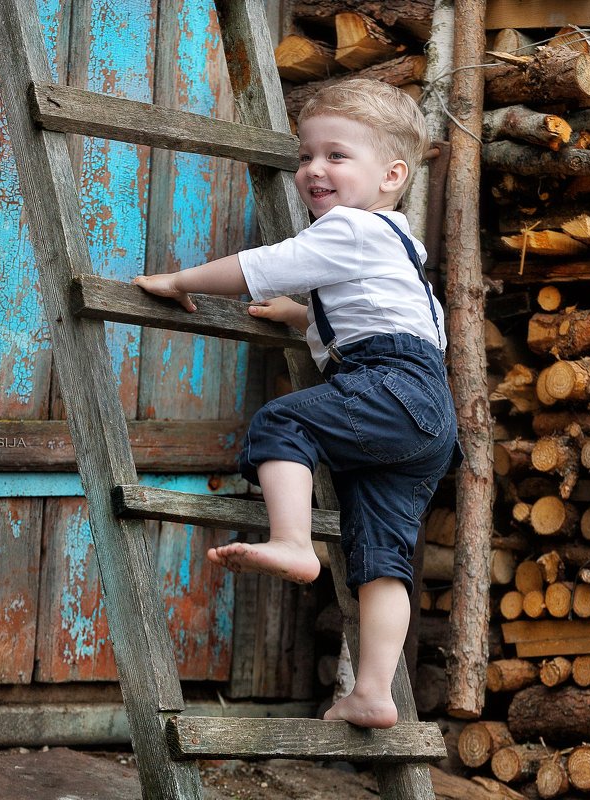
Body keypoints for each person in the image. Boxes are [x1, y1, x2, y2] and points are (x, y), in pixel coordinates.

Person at [131, 78, 458, 729]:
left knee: (285, 421)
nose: (314, 169)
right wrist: (300, 316)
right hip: (427, 414)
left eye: (337, 156)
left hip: (391, 384)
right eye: (306, 156)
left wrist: (181, 279)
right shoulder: (395, 249)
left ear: (393, 175)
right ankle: (373, 692)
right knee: (382, 557)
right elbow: (358, 317)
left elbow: (266, 265)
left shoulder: (352, 228)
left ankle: (291, 541)